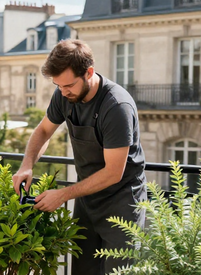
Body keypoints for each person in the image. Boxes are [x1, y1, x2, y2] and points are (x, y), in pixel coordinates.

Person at [11, 39, 147, 275]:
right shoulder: (64, 94)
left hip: (122, 202)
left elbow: (114, 172)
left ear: (89, 72)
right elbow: (43, 130)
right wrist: (27, 165)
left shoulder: (116, 106)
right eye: (58, 85)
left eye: (68, 85)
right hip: (87, 199)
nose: (63, 92)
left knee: (120, 271)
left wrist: (63, 195)